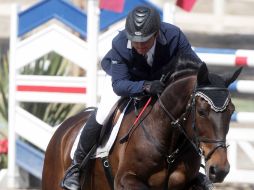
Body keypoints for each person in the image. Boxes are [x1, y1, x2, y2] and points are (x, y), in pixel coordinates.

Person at [61, 5, 204, 190]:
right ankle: (76, 166)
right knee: (103, 113)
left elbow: (196, 67)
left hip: (160, 81)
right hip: (124, 80)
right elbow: (119, 84)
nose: (139, 46)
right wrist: (145, 86)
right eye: (135, 41)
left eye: (144, 41)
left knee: (184, 112)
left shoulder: (174, 36)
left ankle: (195, 171)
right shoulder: (120, 43)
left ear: (156, 33)